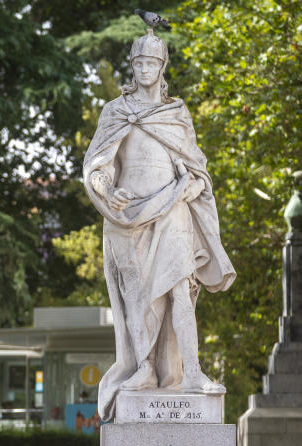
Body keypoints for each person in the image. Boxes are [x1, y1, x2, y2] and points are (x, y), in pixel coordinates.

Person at [83, 28, 235, 421]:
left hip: (172, 212)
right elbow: (97, 164)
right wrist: (106, 189)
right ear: (132, 66)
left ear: (162, 66)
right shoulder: (116, 111)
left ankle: (193, 373)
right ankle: (143, 367)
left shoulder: (176, 112)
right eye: (139, 62)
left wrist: (192, 187)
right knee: (135, 297)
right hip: (127, 216)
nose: (145, 68)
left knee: (180, 291)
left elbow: (198, 168)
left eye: (152, 62)